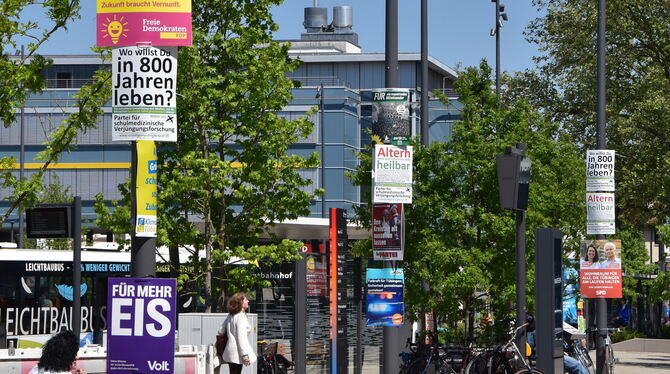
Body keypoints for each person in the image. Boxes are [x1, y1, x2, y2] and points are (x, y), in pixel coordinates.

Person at [217, 293, 256, 374]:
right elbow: (241, 337)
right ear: (240, 303)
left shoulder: (231, 316)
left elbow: (220, 331)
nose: (248, 301)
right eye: (245, 300)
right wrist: (244, 355)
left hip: (230, 352)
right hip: (237, 353)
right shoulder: (241, 317)